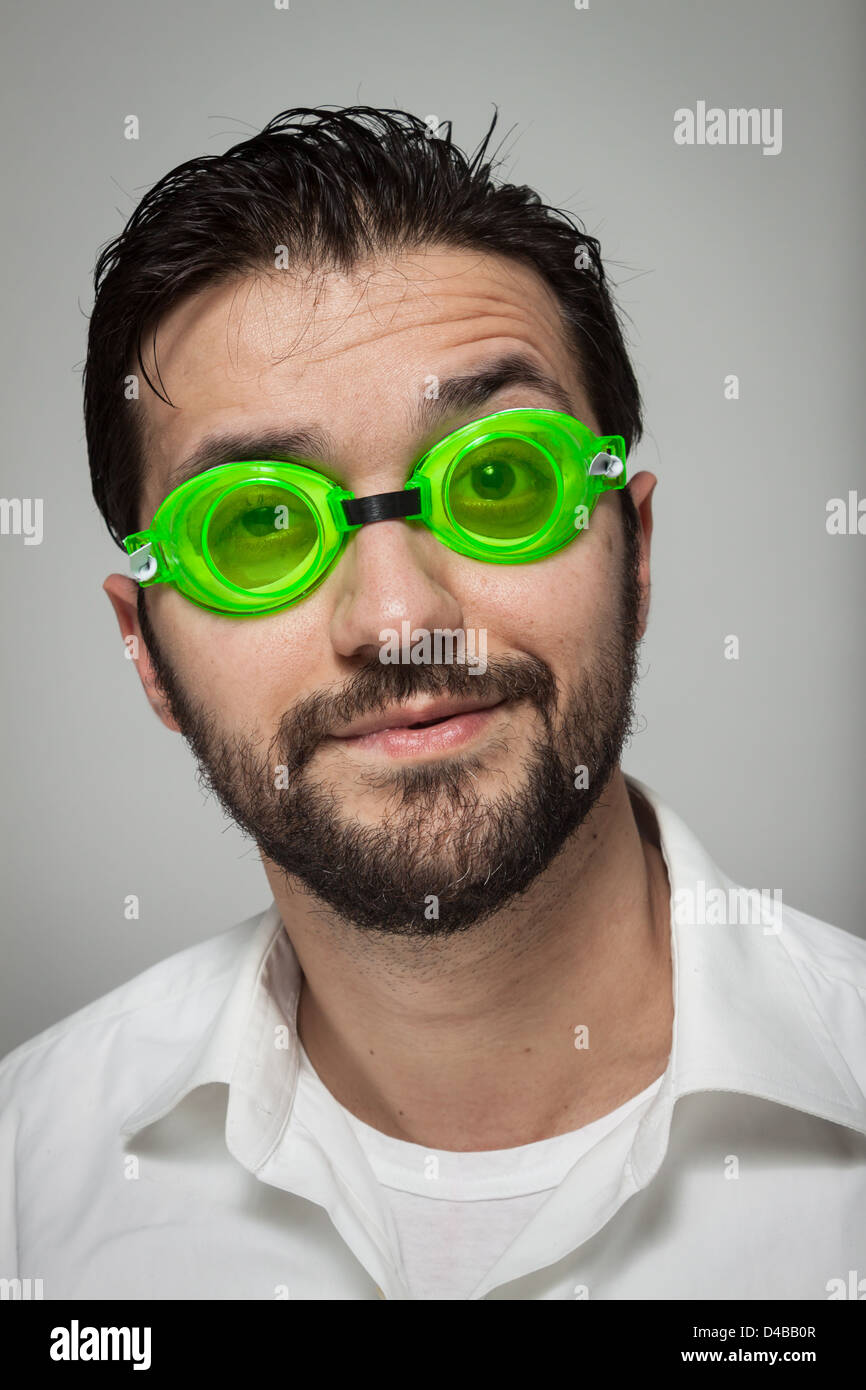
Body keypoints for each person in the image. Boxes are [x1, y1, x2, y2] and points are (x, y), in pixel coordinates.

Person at [1, 106, 863, 1302]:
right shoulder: (24, 1188)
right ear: (145, 651)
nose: (399, 618)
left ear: (635, 549)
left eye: (498, 480)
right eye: (258, 525)